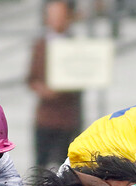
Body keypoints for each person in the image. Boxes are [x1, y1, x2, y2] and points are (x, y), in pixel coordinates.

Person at [27, 0, 82, 169]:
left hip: (68, 116)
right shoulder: (41, 45)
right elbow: (31, 77)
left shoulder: (76, 45)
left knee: (65, 167)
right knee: (40, 165)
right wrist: (43, 90)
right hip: (45, 116)